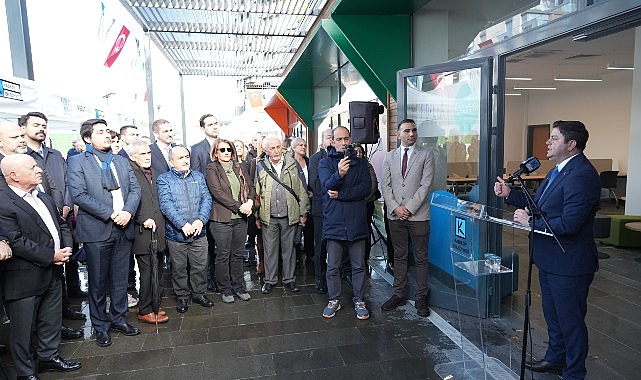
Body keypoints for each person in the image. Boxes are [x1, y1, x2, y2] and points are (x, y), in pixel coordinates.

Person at [494, 120, 600, 379]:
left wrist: (532, 223)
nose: (547, 142)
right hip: (549, 260)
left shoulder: (582, 175)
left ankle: (574, 373)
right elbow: (538, 204)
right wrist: (510, 194)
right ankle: (555, 359)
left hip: (569, 264)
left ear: (571, 144)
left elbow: (570, 223)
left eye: (554, 138)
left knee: (571, 322)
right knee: (554, 319)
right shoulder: (558, 170)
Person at [0, 154, 82, 378]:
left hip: (54, 270)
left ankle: (49, 357)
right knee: (23, 329)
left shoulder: (43, 197)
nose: (39, 170)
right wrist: (51, 255)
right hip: (24, 277)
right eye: (32, 167)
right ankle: (25, 372)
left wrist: (65, 249)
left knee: (51, 319)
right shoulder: (3, 201)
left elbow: (61, 225)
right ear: (14, 175)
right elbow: (15, 240)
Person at [67, 118, 142, 347]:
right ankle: (100, 326)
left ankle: (119, 319)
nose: (108, 135)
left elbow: (135, 188)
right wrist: (111, 214)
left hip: (124, 227)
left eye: (107, 131)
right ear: (88, 138)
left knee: (120, 280)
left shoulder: (121, 161)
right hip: (98, 230)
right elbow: (79, 195)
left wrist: (128, 212)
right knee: (98, 283)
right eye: (100, 132)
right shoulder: (78, 162)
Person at [20, 112, 87, 340]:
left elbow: (66, 182)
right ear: (23, 128)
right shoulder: (21, 158)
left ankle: (65, 307)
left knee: (66, 261)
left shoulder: (55, 154)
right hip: (37, 220)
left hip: (62, 215)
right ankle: (48, 328)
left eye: (44, 125)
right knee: (47, 264)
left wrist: (67, 205)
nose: (41, 128)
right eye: (36, 125)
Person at [380, 119, 435, 318]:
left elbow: (426, 184)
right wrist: (396, 208)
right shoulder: (389, 156)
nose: (411, 134)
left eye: (414, 130)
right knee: (399, 256)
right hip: (395, 216)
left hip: (418, 216)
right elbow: (385, 186)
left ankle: (421, 298)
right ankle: (399, 294)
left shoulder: (426, 155)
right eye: (407, 131)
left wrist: (409, 209)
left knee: (421, 258)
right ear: (398, 134)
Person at [318, 126, 372, 320]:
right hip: (334, 222)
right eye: (339, 139)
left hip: (356, 221)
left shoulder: (361, 164)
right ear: (332, 141)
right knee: (332, 266)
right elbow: (327, 187)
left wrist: (341, 195)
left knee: (358, 265)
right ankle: (334, 299)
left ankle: (359, 299)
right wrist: (339, 174)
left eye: (346, 138)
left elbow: (366, 189)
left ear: (350, 140)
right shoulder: (325, 163)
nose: (343, 142)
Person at [157, 146, 213, 313]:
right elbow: (166, 204)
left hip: (199, 231)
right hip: (176, 234)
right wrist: (182, 224)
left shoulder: (198, 176)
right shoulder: (164, 179)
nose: (185, 160)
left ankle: (199, 293)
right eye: (180, 158)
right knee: (179, 268)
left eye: (187, 157)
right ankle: (182, 296)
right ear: (171, 161)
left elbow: (206, 198)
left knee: (200, 266)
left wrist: (200, 221)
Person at [255, 136, 309, 294]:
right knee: (270, 250)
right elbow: (257, 192)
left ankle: (289, 279)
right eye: (272, 148)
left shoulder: (293, 163)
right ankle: (270, 280)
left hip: (289, 215)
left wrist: (303, 212)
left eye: (278, 147)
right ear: (266, 150)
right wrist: (257, 216)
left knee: (289, 250)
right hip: (269, 216)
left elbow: (301, 190)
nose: (276, 150)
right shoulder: (260, 166)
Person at [206, 139, 254, 303]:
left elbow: (251, 187)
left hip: (241, 219)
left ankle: (238, 287)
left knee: (238, 255)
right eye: (222, 150)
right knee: (223, 255)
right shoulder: (212, 168)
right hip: (222, 219)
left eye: (229, 149)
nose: (226, 152)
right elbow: (218, 193)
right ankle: (225, 290)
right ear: (216, 152)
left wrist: (250, 202)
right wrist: (240, 206)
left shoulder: (239, 167)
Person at [128, 140, 169, 324]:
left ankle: (153, 305)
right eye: (142, 154)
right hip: (142, 231)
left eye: (148, 153)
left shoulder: (156, 173)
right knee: (147, 272)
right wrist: (142, 219)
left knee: (158, 270)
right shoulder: (129, 174)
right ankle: (144, 309)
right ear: (132, 157)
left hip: (158, 229)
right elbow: (128, 202)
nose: (147, 157)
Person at [190, 114, 220, 292]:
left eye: (216, 123)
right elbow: (196, 177)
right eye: (210, 124)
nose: (215, 127)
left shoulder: (225, 145)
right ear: (203, 128)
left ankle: (220, 276)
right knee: (207, 244)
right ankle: (209, 278)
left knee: (221, 245)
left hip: (224, 204)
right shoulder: (197, 149)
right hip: (206, 204)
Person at [308, 129, 332, 293]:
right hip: (321, 208)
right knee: (321, 245)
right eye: (329, 137)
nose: (332, 140)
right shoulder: (316, 159)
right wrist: (334, 190)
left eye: (334, 138)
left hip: (339, 208)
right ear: (322, 141)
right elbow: (315, 184)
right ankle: (320, 278)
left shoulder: (343, 158)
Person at [353, 144, 380, 266]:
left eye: (360, 152)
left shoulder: (368, 165)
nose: (358, 154)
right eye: (356, 152)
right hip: (353, 204)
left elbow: (373, 184)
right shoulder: (349, 166)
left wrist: (364, 198)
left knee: (366, 229)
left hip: (367, 203)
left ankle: (365, 257)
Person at [291, 137, 314, 267]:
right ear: (294, 148)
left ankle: (310, 255)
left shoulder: (309, 162)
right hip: (295, 200)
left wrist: (312, 191)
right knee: (296, 230)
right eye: (300, 145)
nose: (303, 147)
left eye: (304, 145)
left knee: (309, 228)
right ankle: (297, 257)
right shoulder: (290, 163)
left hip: (310, 199)